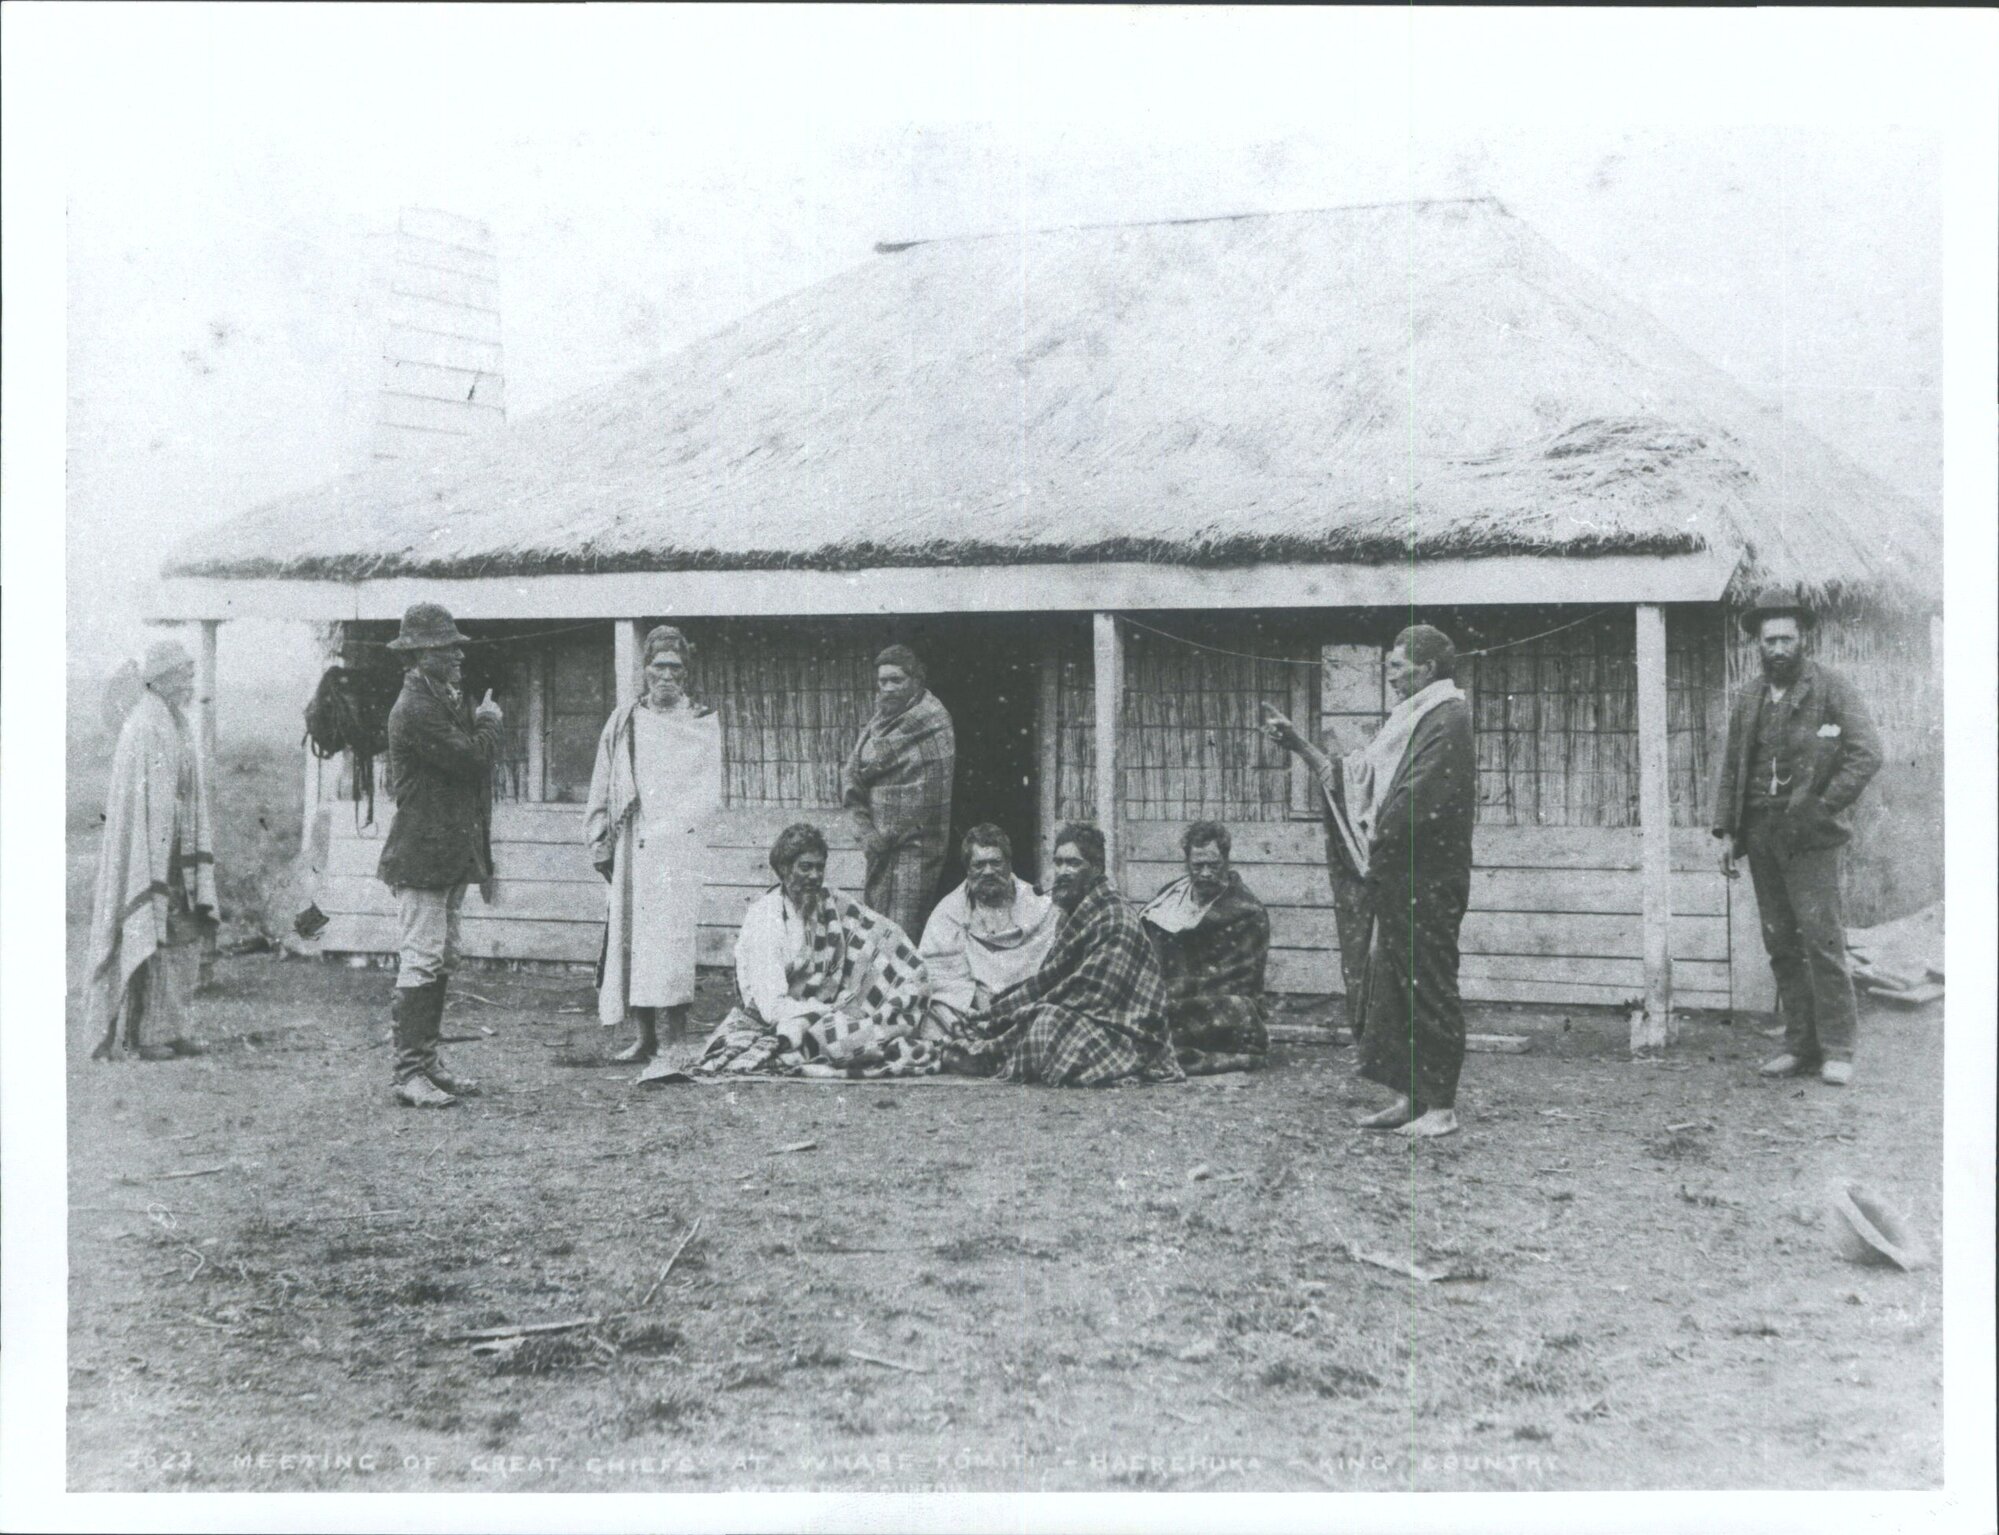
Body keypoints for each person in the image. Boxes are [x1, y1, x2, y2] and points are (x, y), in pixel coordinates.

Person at [1264, 624, 1475, 1137]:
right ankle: (1412, 1097)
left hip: (1425, 877)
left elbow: (1415, 801)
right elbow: (1359, 777)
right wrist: (1299, 745)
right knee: (1395, 986)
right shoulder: (1410, 719)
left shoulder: (1447, 719)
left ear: (1427, 670)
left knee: (1428, 984)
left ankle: (1441, 1108)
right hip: (1394, 875)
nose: (1391, 676)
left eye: (1398, 666)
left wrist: (1373, 847)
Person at [1712, 592, 1883, 1086]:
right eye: (1771, 641)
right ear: (1758, 645)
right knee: (1781, 943)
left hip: (1809, 838)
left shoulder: (1832, 689)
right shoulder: (1748, 697)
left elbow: (1867, 753)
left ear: (1801, 639)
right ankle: (1799, 1045)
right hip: (1761, 835)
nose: (1780, 648)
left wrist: (1823, 805)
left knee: (1823, 941)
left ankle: (1838, 1049)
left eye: (1788, 638)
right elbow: (1731, 769)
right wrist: (1726, 831)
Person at [375, 602, 503, 1108]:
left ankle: (427, 1062)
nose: (457, 656)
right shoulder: (416, 709)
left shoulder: (438, 700)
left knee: (440, 959)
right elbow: (472, 759)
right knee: (422, 960)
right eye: (445, 648)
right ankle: (409, 1073)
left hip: (444, 852)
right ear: (419, 655)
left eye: (455, 647)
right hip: (422, 855)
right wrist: (490, 721)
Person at [585, 625, 723, 1081]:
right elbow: (603, 781)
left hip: (677, 849)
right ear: (645, 671)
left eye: (675, 668)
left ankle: (677, 1036)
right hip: (633, 844)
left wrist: (675, 829)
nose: (666, 676)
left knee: (673, 941)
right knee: (635, 939)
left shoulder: (700, 723)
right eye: (659, 667)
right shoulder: (625, 721)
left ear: (686, 673)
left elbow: (706, 792)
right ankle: (645, 1036)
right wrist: (600, 837)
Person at [948, 823, 1183, 1087]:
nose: (1062, 872)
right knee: (1028, 1018)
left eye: (1073, 863)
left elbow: (1087, 993)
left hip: (1128, 1034)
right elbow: (1050, 978)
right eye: (1058, 863)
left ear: (1096, 868)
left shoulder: (1115, 917)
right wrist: (998, 1012)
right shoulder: (1073, 913)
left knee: (1046, 1023)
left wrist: (1013, 1015)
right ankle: (991, 1050)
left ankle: (990, 1056)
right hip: (1088, 1019)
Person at [693, 823, 934, 1078]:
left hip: (823, 1007)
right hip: (777, 1017)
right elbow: (771, 1009)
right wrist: (828, 1011)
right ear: (784, 870)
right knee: (851, 1038)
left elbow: (882, 934)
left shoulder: (828, 903)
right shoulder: (765, 920)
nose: (814, 876)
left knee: (876, 1024)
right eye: (805, 867)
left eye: (819, 868)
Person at [85, 639, 219, 1061]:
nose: (188, 684)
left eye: (190, 676)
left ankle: (174, 1027)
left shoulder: (176, 720)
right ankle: (144, 1035)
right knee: (152, 932)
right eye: (181, 676)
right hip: (154, 850)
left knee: (184, 933)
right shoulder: (144, 724)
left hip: (178, 850)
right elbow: (147, 802)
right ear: (160, 680)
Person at [843, 643, 955, 941]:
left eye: (897, 680)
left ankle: (905, 986)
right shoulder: (878, 721)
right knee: (876, 922)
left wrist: (894, 832)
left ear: (916, 681)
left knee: (905, 927)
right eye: (883, 681)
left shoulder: (932, 719)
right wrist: (869, 834)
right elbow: (854, 773)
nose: (889, 688)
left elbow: (930, 793)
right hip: (879, 846)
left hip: (917, 846)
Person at [1139, 821, 1271, 1074]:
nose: (1206, 873)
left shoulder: (1248, 911)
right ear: (1187, 863)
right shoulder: (1170, 897)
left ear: (1226, 861)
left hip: (1216, 1003)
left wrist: (1172, 991)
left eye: (1214, 865)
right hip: (1168, 998)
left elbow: (1239, 980)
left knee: (1235, 1010)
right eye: (1198, 866)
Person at [917, 823, 1060, 1042]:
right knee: (931, 1019)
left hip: (1029, 1010)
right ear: (968, 870)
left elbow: (1055, 969)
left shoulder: (1041, 907)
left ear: (1009, 864)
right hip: (971, 1015)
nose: (989, 872)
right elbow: (936, 978)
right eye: (979, 865)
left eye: (996, 863)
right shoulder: (949, 913)